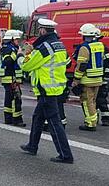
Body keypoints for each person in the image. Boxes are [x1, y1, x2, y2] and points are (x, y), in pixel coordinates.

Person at [19, 18, 74, 163]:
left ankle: (65, 155)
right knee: (38, 118)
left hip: (46, 90)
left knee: (54, 123)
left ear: (42, 30)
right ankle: (32, 146)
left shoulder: (44, 48)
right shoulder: (59, 45)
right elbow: (67, 63)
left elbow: (27, 66)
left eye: (39, 30)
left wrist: (22, 55)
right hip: (56, 88)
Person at [70, 23, 105, 131]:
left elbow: (81, 65)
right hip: (98, 78)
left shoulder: (84, 48)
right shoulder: (100, 45)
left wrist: (76, 79)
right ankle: (94, 119)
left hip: (87, 79)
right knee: (93, 101)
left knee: (86, 101)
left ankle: (90, 123)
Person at [0, 29, 25, 126]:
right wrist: (17, 54)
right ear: (12, 39)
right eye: (17, 39)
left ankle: (9, 119)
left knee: (10, 99)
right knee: (15, 99)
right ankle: (16, 120)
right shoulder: (7, 48)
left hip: (12, 78)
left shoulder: (11, 47)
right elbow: (8, 61)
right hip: (9, 78)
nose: (18, 41)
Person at [95, 29, 109, 126]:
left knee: (100, 99)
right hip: (96, 77)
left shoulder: (103, 48)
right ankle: (98, 117)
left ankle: (105, 118)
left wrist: (106, 75)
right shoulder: (102, 47)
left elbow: (108, 62)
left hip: (101, 77)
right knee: (96, 99)